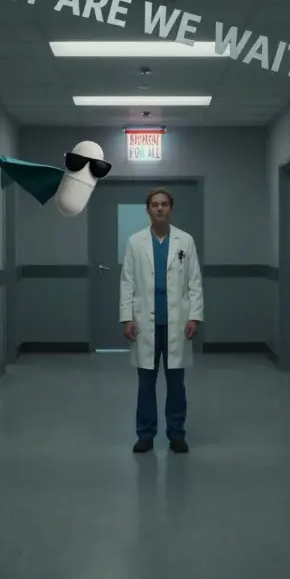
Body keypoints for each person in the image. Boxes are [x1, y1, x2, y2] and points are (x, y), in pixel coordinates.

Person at [119, 188, 204, 454]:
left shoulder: (185, 241)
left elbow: (195, 282)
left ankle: (176, 433)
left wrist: (194, 317)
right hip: (145, 323)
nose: (159, 208)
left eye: (164, 204)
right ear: (147, 210)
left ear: (171, 208)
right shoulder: (135, 242)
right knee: (146, 382)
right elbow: (127, 282)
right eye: (154, 204)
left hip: (177, 323)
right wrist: (126, 318)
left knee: (176, 382)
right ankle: (145, 434)